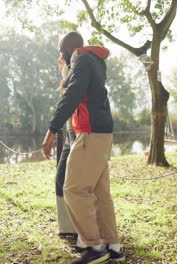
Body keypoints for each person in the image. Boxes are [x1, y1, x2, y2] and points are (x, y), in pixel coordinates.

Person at [42, 32, 125, 264]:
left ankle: (95, 247)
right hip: (102, 133)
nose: (60, 55)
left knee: (73, 189)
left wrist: (52, 129)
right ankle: (113, 246)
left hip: (90, 134)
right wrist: (66, 73)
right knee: (99, 193)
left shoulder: (83, 59)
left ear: (70, 50)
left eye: (61, 51)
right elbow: (77, 88)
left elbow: (73, 94)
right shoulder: (94, 61)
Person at [55, 52, 77, 236]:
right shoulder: (67, 76)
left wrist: (51, 130)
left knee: (70, 182)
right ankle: (68, 228)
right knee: (61, 179)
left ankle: (74, 229)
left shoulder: (74, 73)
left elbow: (70, 103)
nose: (57, 60)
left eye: (60, 55)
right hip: (71, 135)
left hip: (77, 134)